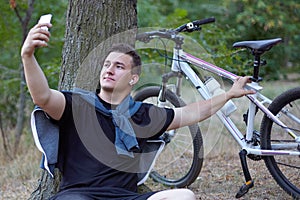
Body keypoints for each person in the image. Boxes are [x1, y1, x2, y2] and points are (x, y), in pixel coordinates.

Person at [21, 21, 254, 200]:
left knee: (184, 196)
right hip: (79, 195)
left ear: (133, 79)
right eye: (107, 65)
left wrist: (228, 94)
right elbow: (42, 96)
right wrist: (28, 56)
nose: (109, 70)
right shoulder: (77, 105)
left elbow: (191, 113)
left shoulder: (142, 114)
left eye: (119, 66)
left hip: (126, 196)